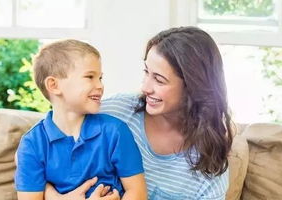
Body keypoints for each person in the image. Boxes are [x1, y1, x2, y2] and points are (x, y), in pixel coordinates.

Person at [45, 26, 233, 200]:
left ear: (193, 86)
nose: (145, 87)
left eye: (159, 80)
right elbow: (37, 156)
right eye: (146, 72)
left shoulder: (209, 163)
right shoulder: (114, 114)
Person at [14, 39, 147, 200]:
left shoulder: (115, 131)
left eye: (100, 78)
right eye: (90, 77)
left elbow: (137, 193)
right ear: (54, 85)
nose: (100, 86)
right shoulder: (32, 144)